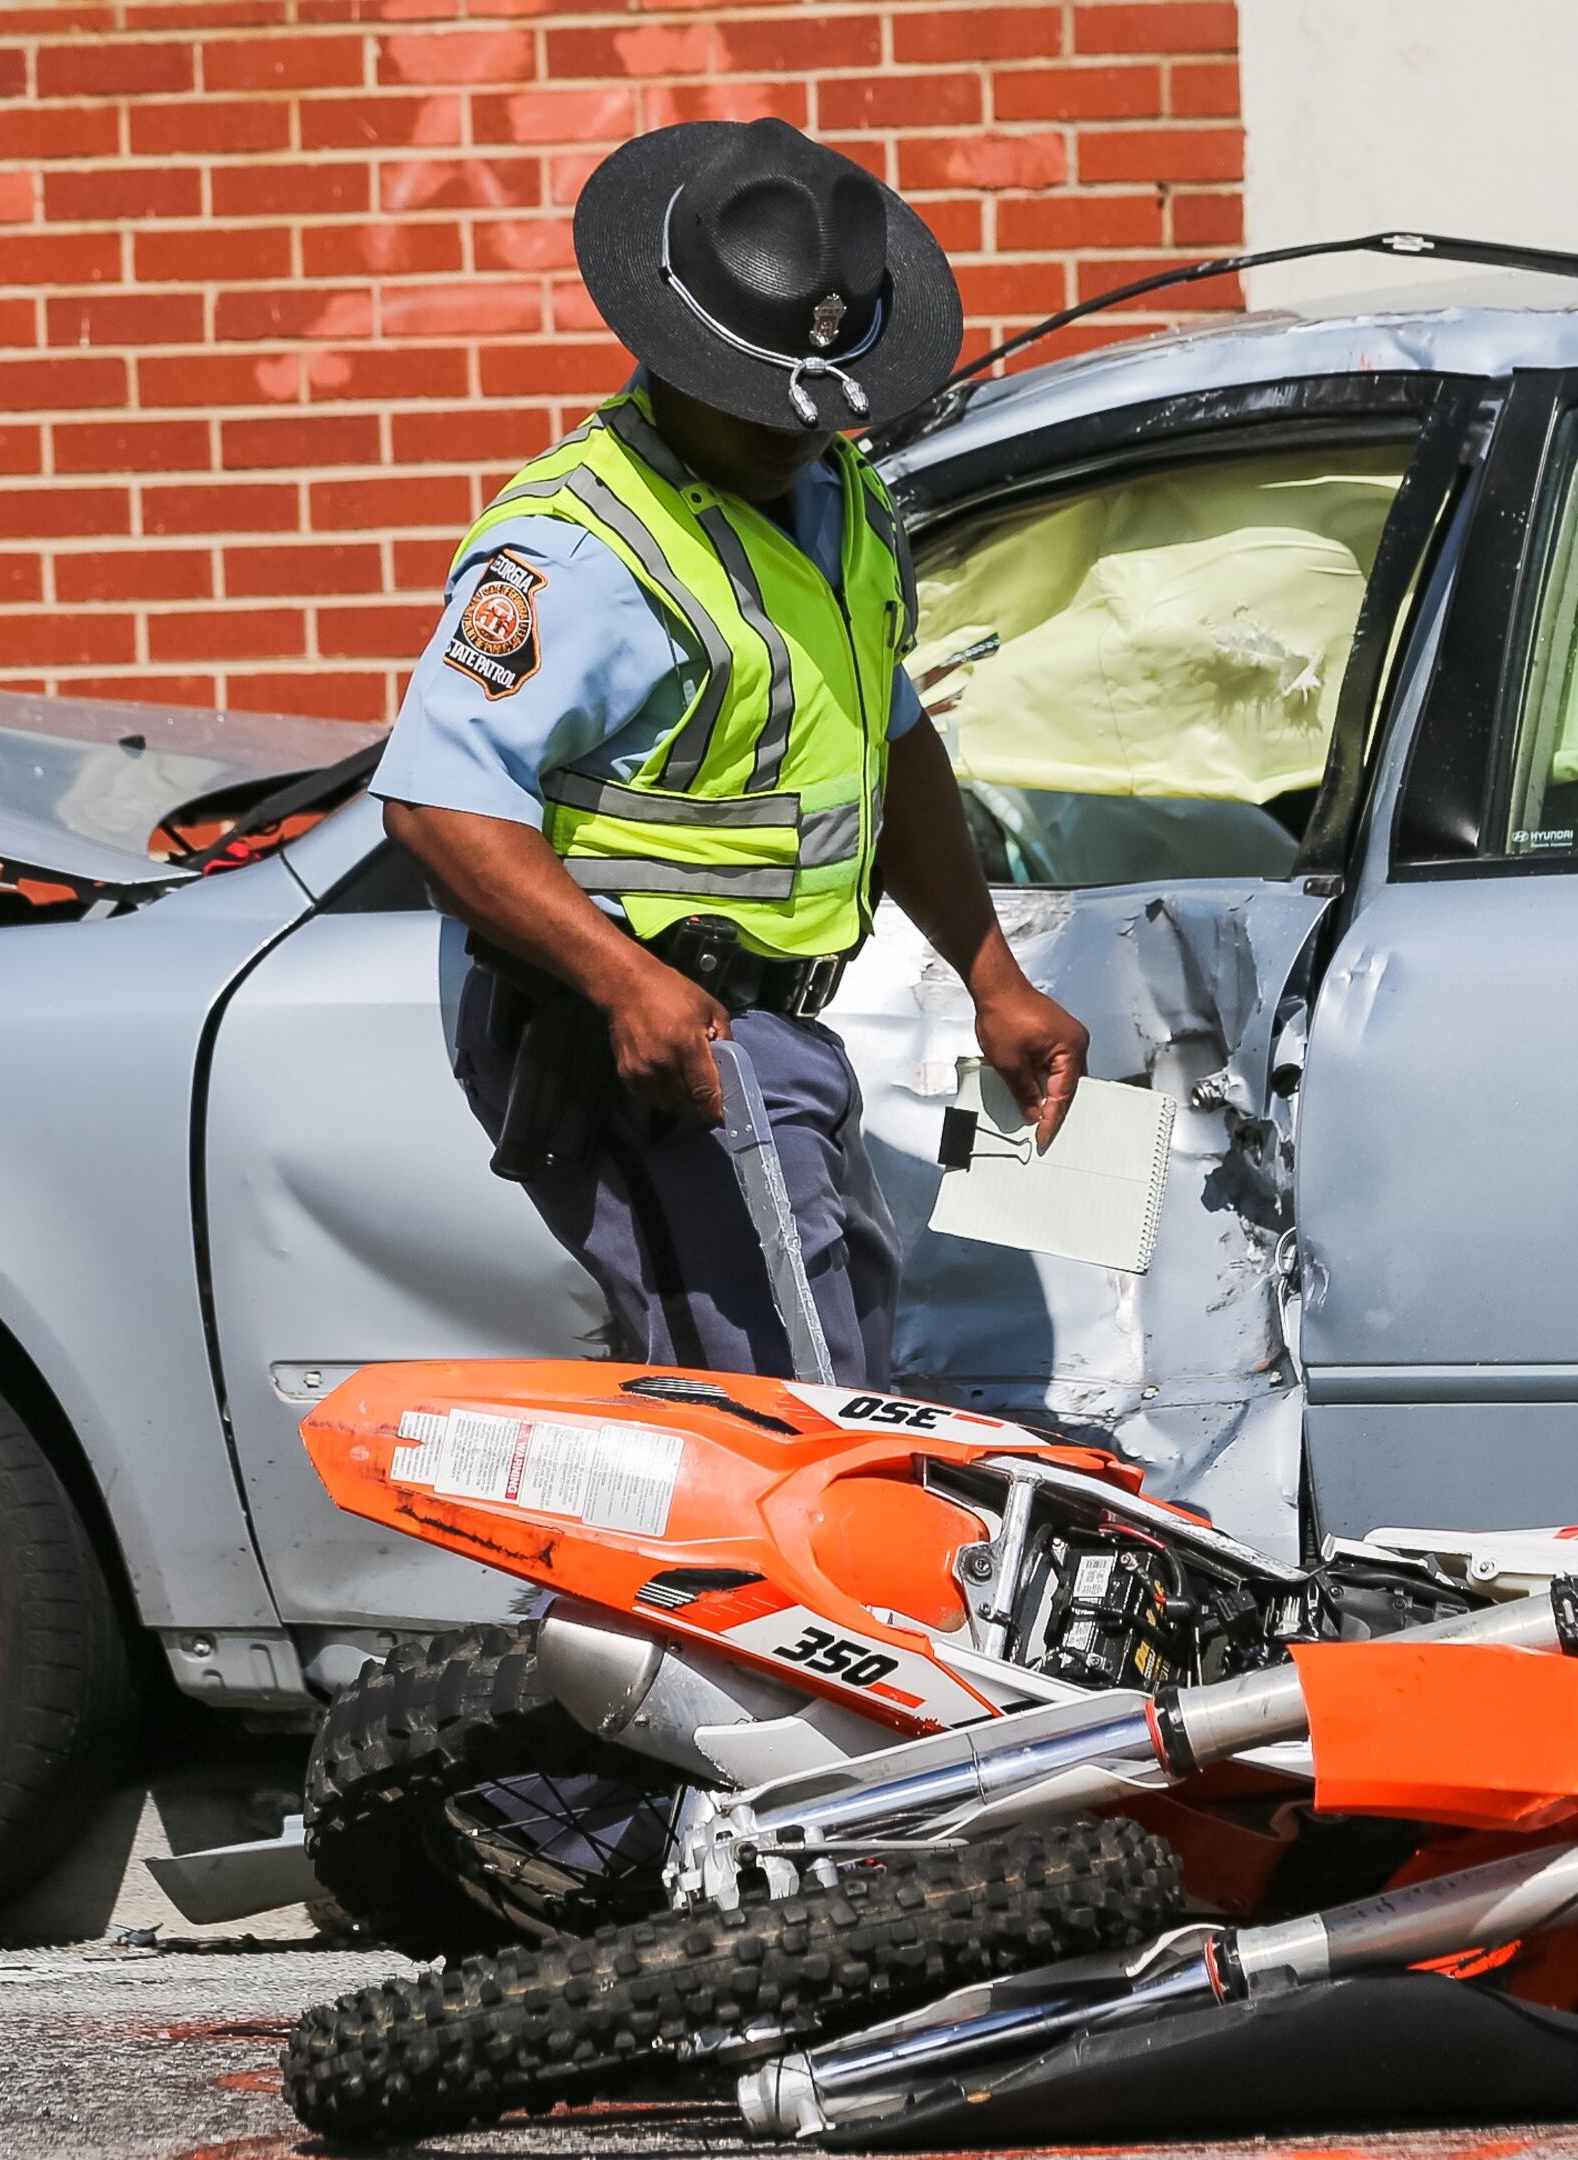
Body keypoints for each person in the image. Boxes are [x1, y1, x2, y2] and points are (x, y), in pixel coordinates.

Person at [372, 116, 1088, 1389]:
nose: (791, 432)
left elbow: (890, 738)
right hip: (644, 1038)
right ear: (672, 349)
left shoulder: (843, 499)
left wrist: (992, 976)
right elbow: (438, 804)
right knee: (776, 1415)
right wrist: (620, 982)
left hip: (772, 1038)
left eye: (814, 409)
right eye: (758, 403)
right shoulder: (581, 548)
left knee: (824, 1376)